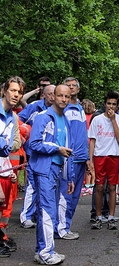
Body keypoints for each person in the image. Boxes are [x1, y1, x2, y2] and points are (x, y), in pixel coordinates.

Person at [29, 84, 74, 264]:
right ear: (53, 96)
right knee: (48, 212)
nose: (64, 99)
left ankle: (42, 250)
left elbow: (67, 151)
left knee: (46, 211)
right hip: (44, 170)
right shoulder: (43, 117)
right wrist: (57, 149)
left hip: (57, 171)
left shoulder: (65, 119)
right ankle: (46, 253)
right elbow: (34, 143)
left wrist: (69, 176)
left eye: (67, 97)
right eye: (60, 96)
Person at [55, 77, 90, 240]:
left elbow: (83, 134)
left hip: (81, 158)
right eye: (67, 86)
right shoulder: (64, 109)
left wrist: (88, 158)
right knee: (65, 194)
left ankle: (66, 225)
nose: (71, 88)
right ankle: (60, 228)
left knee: (75, 196)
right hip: (69, 159)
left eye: (73, 86)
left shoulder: (80, 108)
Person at [89, 91, 119, 230]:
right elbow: (92, 140)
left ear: (117, 106)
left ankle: (111, 217)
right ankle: (98, 216)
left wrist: (113, 120)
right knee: (99, 187)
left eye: (114, 104)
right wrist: (90, 159)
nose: (111, 107)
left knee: (112, 187)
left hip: (114, 156)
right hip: (100, 156)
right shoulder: (97, 119)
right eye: (109, 104)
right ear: (105, 104)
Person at [19, 84, 55, 229]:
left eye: (55, 94)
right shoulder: (34, 107)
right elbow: (19, 119)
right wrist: (25, 134)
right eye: (51, 94)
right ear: (44, 95)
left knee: (47, 186)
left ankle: (39, 214)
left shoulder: (58, 110)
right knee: (32, 185)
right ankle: (26, 216)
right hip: (33, 151)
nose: (53, 97)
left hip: (50, 153)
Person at [0, 76, 25, 257]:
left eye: (19, 92)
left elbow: (16, 142)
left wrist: (6, 145)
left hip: (4, 165)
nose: (16, 94)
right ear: (4, 91)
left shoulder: (13, 117)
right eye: (13, 90)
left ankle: (1, 238)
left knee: (4, 205)